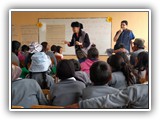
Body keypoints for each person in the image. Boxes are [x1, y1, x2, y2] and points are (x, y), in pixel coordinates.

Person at [65, 64, 149, 109]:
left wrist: (80, 105)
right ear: (110, 78)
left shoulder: (85, 91)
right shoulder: (116, 92)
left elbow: (106, 101)